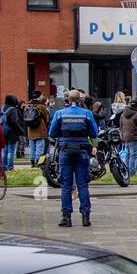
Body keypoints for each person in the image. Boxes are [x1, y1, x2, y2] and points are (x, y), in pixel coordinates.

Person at [46, 90, 99, 226]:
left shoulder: (59, 114)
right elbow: (94, 133)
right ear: (80, 100)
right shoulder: (87, 114)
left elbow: (52, 132)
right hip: (82, 152)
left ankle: (66, 217)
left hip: (65, 151)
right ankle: (86, 216)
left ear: (68, 100)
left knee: (66, 186)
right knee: (82, 185)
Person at [23, 91, 50, 166]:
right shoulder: (41, 106)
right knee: (39, 147)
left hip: (30, 129)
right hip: (40, 130)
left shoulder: (28, 106)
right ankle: (39, 162)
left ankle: (32, 162)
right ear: (39, 97)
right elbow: (46, 118)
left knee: (32, 147)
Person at [0, 95, 26, 171]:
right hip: (11, 133)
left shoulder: (2, 108)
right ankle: (10, 167)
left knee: (4, 151)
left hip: (3, 132)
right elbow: (15, 122)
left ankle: (3, 167)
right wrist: (21, 130)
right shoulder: (13, 109)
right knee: (11, 151)